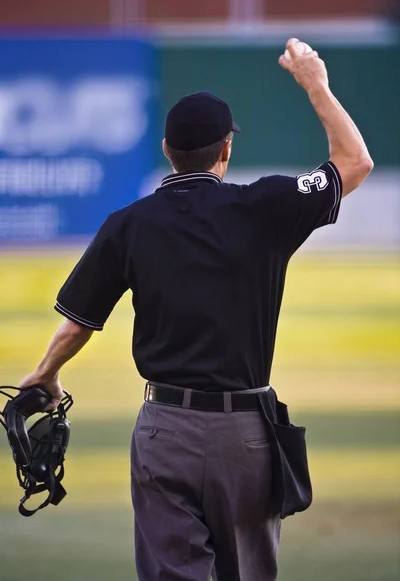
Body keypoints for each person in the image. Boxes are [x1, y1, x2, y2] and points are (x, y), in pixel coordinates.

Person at [20, 38, 373, 581]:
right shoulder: (265, 206)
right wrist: (314, 83)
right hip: (247, 435)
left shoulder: (129, 224)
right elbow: (354, 161)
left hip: (165, 431)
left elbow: (77, 324)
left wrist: (45, 374)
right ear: (225, 151)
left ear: (167, 149)